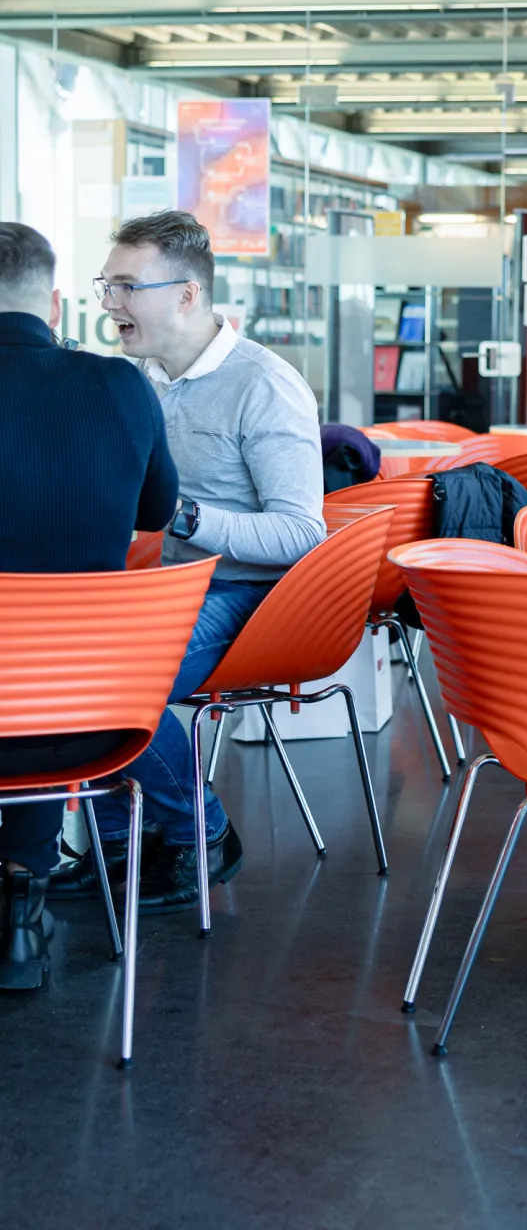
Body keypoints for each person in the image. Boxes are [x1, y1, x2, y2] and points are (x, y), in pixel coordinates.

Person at [51, 211, 326, 914]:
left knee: (109, 681)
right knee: (52, 662)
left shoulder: (264, 384)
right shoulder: (136, 380)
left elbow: (302, 534)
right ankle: (120, 848)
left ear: (186, 296)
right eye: (105, 285)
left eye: (125, 286)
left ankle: (202, 832)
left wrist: (188, 517)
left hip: (255, 598)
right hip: (175, 588)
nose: (109, 303)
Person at [0, 223, 178, 989]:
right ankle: (19, 896)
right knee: (36, 673)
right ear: (56, 300)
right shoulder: (118, 385)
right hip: (87, 715)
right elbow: (156, 512)